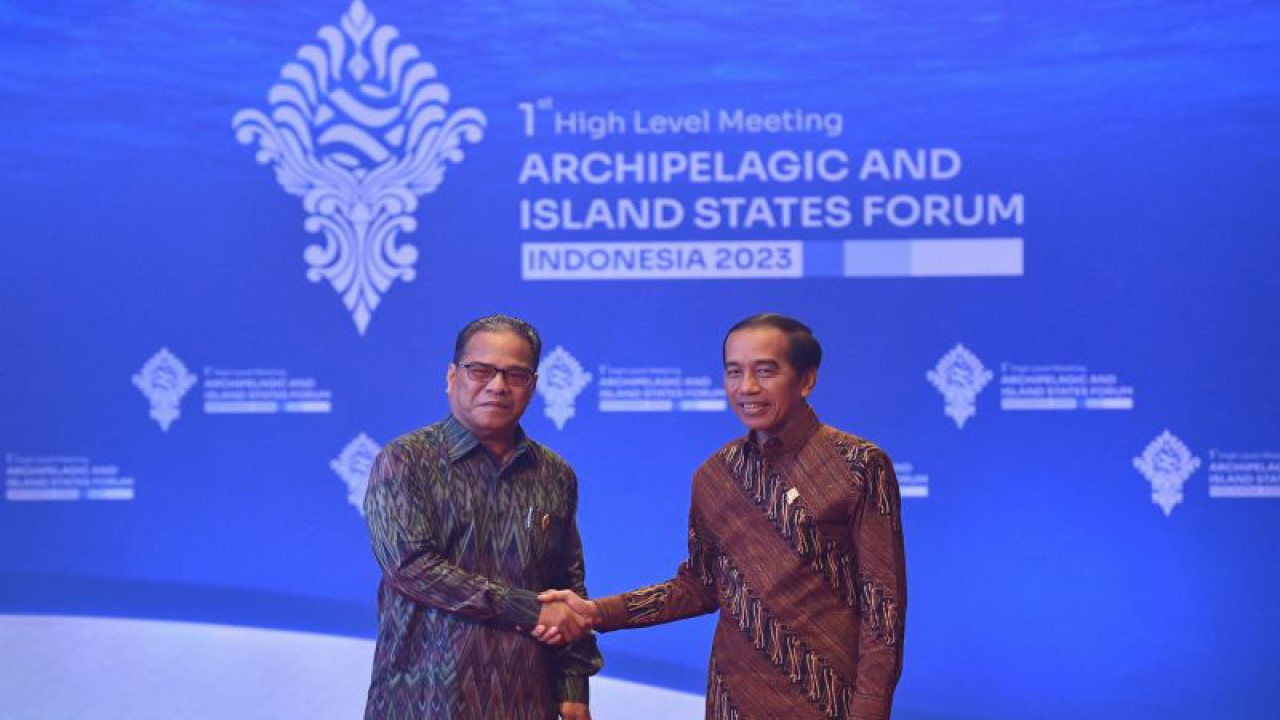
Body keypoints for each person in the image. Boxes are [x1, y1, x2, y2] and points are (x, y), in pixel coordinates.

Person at [540, 313, 907, 719]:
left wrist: (870, 711)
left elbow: (883, 608)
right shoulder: (716, 474)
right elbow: (700, 586)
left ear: (806, 380)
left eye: (765, 371)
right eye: (734, 372)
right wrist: (597, 612)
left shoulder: (858, 464)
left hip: (828, 702)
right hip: (732, 702)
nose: (746, 387)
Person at [363, 314, 601, 720]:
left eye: (515, 374)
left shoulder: (554, 474)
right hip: (422, 699)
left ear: (534, 385)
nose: (497, 385)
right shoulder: (405, 460)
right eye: (481, 370)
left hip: (527, 698)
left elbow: (566, 585)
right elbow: (412, 567)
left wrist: (575, 686)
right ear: (452, 376)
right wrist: (530, 609)